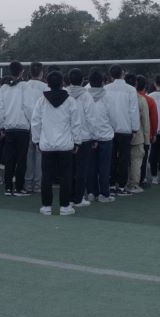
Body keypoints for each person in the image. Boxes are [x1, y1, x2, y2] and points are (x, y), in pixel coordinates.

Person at [31, 70, 81, 216]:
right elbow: (76, 123)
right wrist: (77, 142)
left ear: (47, 83)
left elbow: (35, 122)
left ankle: (46, 206)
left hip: (47, 144)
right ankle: (65, 206)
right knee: (66, 176)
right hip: (65, 145)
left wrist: (36, 140)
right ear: (62, 83)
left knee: (46, 176)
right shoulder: (70, 101)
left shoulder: (41, 100)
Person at [104, 65, 139, 197]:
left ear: (111, 75)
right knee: (124, 159)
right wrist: (135, 128)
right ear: (123, 74)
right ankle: (122, 186)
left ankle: (111, 185)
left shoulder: (106, 89)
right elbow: (133, 110)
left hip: (109, 129)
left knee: (111, 158)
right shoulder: (130, 89)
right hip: (125, 128)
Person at [0, 61, 32, 196]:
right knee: (21, 159)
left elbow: (0, 109)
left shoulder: (3, 88)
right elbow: (28, 106)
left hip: (9, 127)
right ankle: (19, 188)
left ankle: (8, 187)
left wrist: (2, 125)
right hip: (22, 127)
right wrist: (31, 122)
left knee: (9, 159)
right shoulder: (25, 86)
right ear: (22, 71)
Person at [86, 70, 115, 203]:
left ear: (89, 82)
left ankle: (91, 192)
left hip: (90, 136)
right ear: (103, 82)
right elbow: (113, 117)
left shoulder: (84, 96)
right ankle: (104, 194)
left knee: (90, 166)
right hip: (105, 136)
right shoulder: (108, 96)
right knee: (104, 167)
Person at [66, 68, 93, 207]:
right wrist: (93, 136)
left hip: (67, 137)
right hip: (84, 138)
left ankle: (69, 197)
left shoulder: (64, 93)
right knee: (81, 170)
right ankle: (78, 198)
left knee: (69, 169)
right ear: (83, 80)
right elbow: (91, 118)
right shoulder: (87, 96)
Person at [23, 62, 48, 193]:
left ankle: (28, 183)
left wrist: (30, 120)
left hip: (27, 124)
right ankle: (37, 184)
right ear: (41, 73)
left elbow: (24, 106)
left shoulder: (24, 86)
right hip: (41, 125)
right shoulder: (45, 87)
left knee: (29, 155)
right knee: (39, 155)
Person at [127, 75, 150, 194]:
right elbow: (146, 121)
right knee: (136, 160)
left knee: (122, 160)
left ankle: (121, 183)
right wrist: (147, 139)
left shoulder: (120, 98)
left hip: (121, 134)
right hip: (138, 135)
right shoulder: (141, 99)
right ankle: (133, 184)